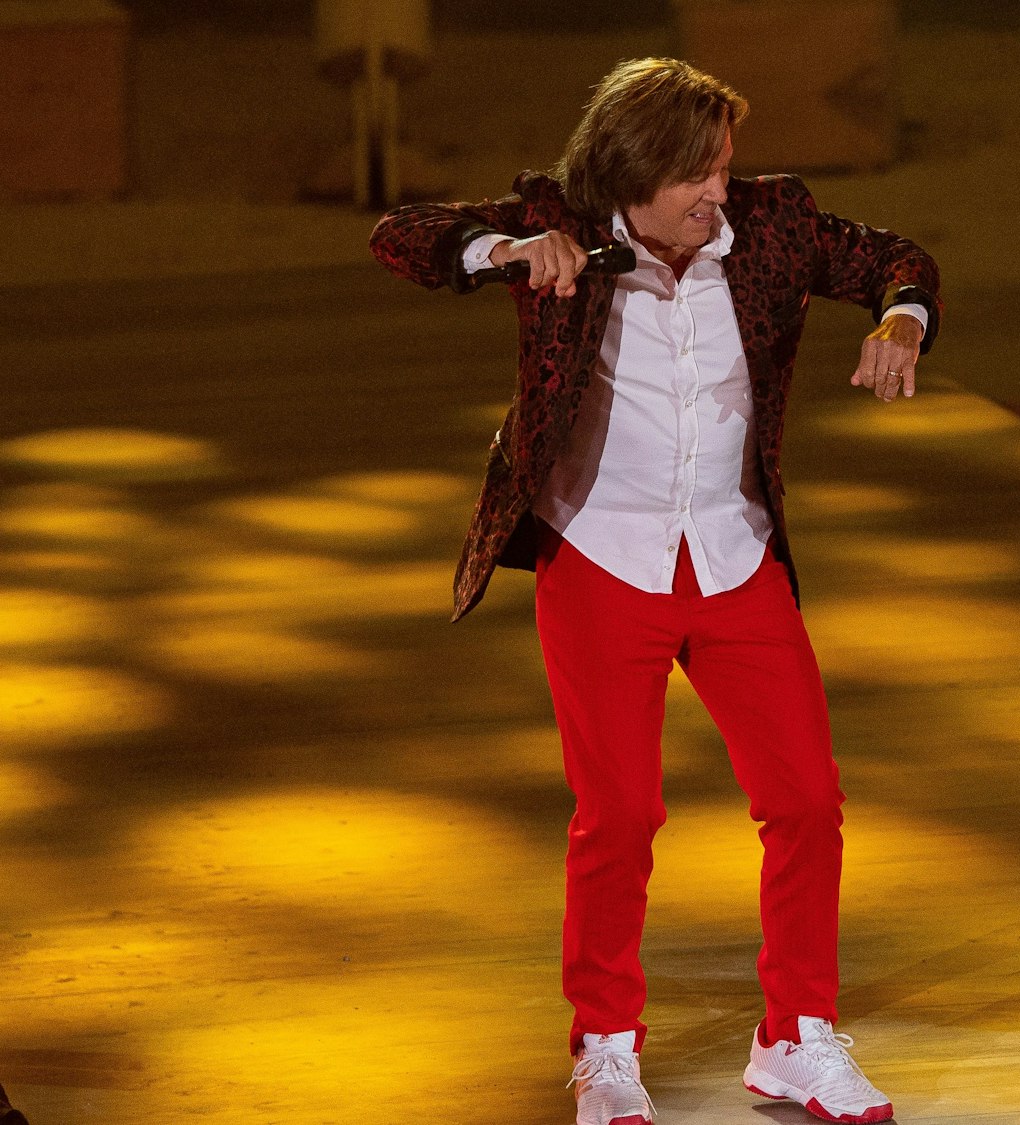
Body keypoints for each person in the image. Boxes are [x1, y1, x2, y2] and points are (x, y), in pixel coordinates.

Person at [371, 57, 939, 1125]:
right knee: (620, 814)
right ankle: (605, 1045)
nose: (717, 192)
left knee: (808, 800)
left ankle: (795, 1039)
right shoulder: (562, 224)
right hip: (602, 557)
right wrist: (503, 251)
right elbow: (403, 234)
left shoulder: (772, 230)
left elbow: (898, 258)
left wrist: (901, 318)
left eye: (723, 169)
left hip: (732, 555)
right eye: (695, 176)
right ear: (630, 175)